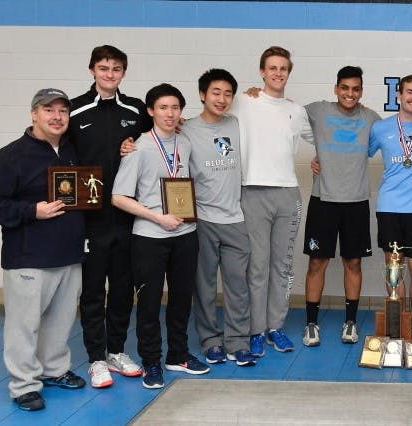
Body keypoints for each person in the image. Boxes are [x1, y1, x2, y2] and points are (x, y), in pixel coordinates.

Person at [0, 89, 87, 411]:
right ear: (34, 114)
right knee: (24, 325)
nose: (57, 116)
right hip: (28, 258)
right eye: (49, 110)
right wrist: (33, 211)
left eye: (63, 111)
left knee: (60, 322)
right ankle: (23, 385)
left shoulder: (72, 150)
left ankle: (54, 370)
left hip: (68, 255)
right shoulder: (12, 155)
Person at [112, 83, 209, 389]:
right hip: (150, 236)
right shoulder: (138, 148)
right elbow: (118, 197)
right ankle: (151, 361)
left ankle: (177, 354)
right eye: (163, 108)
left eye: (175, 108)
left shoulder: (186, 143)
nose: (170, 113)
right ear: (151, 111)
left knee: (181, 299)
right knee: (151, 303)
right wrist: (158, 217)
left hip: (186, 234)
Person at [69, 45, 150, 388]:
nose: (109, 74)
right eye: (103, 68)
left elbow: (164, 130)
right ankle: (96, 359)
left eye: (116, 69)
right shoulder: (74, 110)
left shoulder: (135, 110)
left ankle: (116, 351)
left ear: (123, 73)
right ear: (92, 70)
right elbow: (49, 144)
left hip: (127, 215)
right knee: (91, 292)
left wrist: (135, 143)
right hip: (89, 219)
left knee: (121, 289)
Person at [230, 46, 312, 356]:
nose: (278, 73)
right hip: (252, 193)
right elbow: (214, 122)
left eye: (283, 68)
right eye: (272, 68)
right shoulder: (244, 102)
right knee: (257, 266)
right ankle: (256, 330)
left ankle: (275, 327)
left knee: (282, 266)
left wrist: (319, 160)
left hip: (287, 195)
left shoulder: (296, 111)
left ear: (289, 73)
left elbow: (324, 140)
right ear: (262, 71)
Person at [182, 69, 257, 367]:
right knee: (204, 285)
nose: (222, 99)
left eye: (228, 94)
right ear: (202, 94)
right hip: (202, 220)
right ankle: (211, 341)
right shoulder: (185, 129)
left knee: (238, 285)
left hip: (235, 219)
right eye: (216, 92)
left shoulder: (237, 124)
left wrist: (257, 92)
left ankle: (237, 342)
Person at [301, 66, 381, 345]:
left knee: (354, 262)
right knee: (316, 262)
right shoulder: (318, 110)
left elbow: (400, 134)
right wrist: (255, 95)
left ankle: (350, 323)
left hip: (356, 202)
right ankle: (311, 324)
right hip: (323, 200)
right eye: (344, 88)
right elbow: (280, 112)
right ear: (336, 88)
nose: (350, 93)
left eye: (355, 89)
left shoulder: (371, 118)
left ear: (361, 91)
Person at [367, 74, 412, 343]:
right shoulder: (380, 128)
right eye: (409, 92)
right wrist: (318, 159)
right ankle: (400, 319)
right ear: (398, 95)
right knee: (395, 268)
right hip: (390, 207)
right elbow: (355, 154)